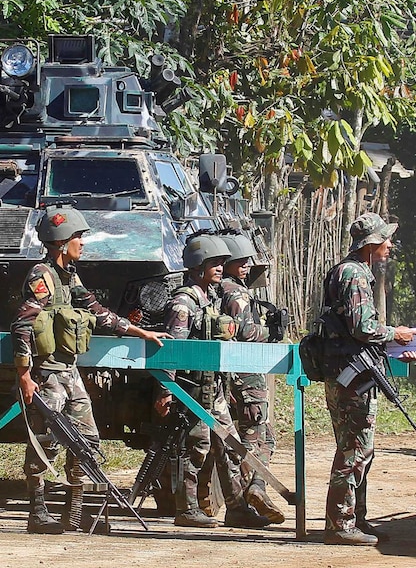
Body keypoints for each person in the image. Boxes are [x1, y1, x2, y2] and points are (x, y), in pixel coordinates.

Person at [12, 204, 170, 534]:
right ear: (60, 241)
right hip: (46, 374)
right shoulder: (42, 277)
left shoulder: (71, 277)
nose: (82, 243)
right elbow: (23, 325)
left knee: (87, 440)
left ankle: (77, 512)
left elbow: (98, 313)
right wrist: (25, 375)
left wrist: (141, 332)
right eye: (78, 237)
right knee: (46, 441)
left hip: (69, 373)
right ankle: (38, 512)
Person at [156, 232, 271, 529]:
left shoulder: (212, 300)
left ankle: (236, 507)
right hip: (191, 388)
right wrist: (166, 390)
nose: (221, 267)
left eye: (222, 262)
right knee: (196, 447)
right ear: (197, 266)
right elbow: (171, 350)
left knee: (230, 446)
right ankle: (188, 508)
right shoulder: (184, 303)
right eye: (214, 263)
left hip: (214, 387)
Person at [319, 212, 416, 546]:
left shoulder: (352, 271)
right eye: (386, 239)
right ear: (372, 243)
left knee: (360, 449)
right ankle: (341, 523)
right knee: (354, 449)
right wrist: (396, 333)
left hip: (350, 371)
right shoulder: (354, 274)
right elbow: (362, 328)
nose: (390, 245)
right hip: (351, 376)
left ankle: (355, 517)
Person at [218, 230, 284, 524]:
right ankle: (255, 489)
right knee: (259, 434)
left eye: (247, 259)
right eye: (239, 260)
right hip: (245, 373)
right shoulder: (237, 293)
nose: (246, 264)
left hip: (226, 374)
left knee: (235, 438)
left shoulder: (216, 288)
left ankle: (246, 499)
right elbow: (245, 333)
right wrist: (272, 332)